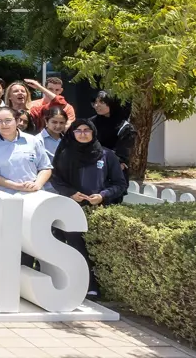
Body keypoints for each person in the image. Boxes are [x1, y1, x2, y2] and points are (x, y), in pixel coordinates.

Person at [51, 118, 127, 298]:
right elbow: (55, 178)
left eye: (87, 130)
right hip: (69, 209)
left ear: (93, 133)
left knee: (94, 250)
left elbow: (120, 184)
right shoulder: (64, 153)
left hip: (97, 211)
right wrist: (70, 193)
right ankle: (80, 284)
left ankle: (93, 285)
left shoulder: (107, 155)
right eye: (78, 130)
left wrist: (103, 195)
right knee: (75, 247)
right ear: (72, 133)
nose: (83, 134)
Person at [0, 107, 52, 199]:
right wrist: (16, 186)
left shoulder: (33, 140)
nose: (4, 124)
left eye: (8, 120)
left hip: (33, 195)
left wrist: (37, 184)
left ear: (17, 121)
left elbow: (45, 167)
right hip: (4, 196)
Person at [91, 91, 135, 170]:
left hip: (113, 171)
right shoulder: (90, 123)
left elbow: (122, 155)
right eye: (95, 102)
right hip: (91, 168)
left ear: (112, 103)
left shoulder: (124, 127)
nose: (97, 105)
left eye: (102, 102)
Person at [39, 106, 69, 193]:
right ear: (46, 121)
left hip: (65, 188)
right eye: (54, 122)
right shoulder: (37, 140)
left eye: (61, 123)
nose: (58, 126)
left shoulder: (68, 141)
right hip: (46, 188)